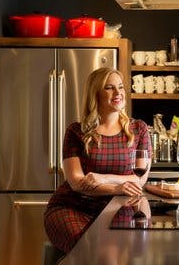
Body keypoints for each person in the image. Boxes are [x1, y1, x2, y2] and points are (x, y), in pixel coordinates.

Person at [44, 67, 152, 253]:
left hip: (119, 207)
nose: (118, 93)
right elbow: (77, 183)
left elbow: (139, 179)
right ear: (96, 94)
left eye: (120, 87)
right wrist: (118, 187)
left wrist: (103, 178)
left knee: (111, 256)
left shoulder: (138, 129)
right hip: (73, 207)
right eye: (109, 88)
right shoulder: (76, 131)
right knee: (87, 249)